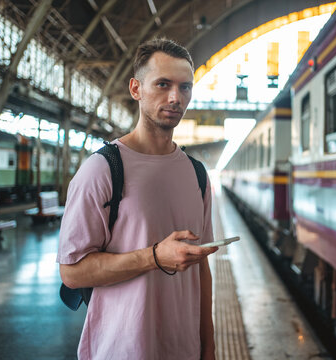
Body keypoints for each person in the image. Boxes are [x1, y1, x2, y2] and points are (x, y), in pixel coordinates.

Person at [57, 38, 218, 360]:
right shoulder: (101, 170)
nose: (175, 97)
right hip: (121, 349)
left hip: (183, 349)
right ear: (136, 89)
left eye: (185, 87)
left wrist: (208, 347)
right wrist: (155, 256)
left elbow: (201, 271)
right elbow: (72, 273)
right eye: (162, 84)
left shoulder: (197, 174)